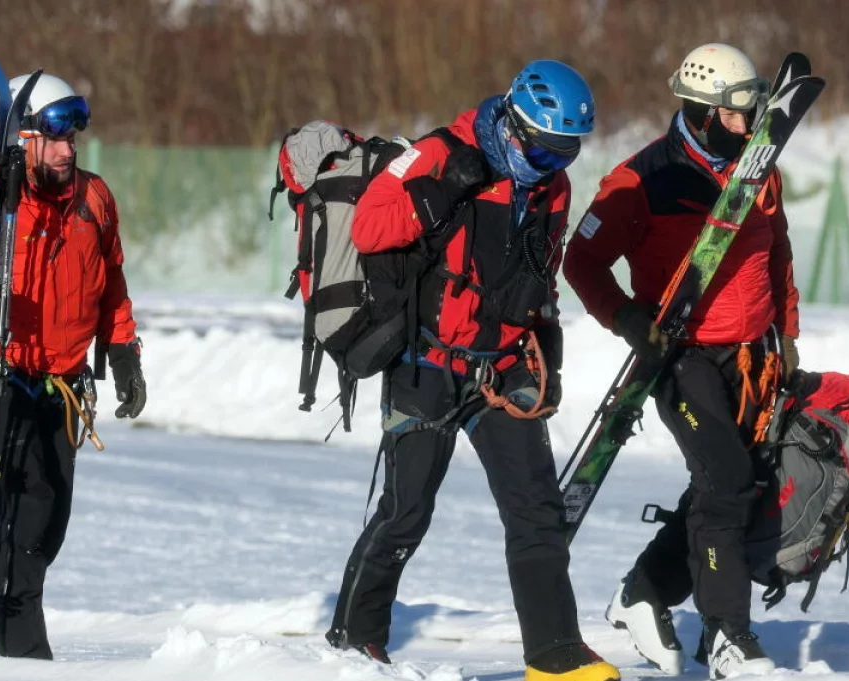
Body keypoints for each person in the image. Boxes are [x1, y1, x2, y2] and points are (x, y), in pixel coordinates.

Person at [324, 60, 619, 681]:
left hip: (502, 369)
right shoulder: (439, 152)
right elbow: (369, 227)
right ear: (514, 124)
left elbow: (541, 277)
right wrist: (441, 191)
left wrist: (548, 349)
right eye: (544, 150)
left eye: (566, 153)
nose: (552, 165)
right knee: (406, 512)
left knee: (538, 511)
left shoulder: (553, 188)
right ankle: (355, 642)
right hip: (424, 363)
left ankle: (555, 654)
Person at [562, 43, 800, 679]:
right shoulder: (643, 179)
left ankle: (644, 590)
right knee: (725, 480)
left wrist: (788, 335)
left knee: (727, 484)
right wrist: (625, 317)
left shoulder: (761, 167)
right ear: (700, 112)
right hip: (680, 357)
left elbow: (776, 253)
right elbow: (580, 262)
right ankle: (728, 636)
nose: (749, 125)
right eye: (736, 113)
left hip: (752, 358)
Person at [0, 72, 146, 659]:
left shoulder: (93, 197)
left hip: (63, 385)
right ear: (23, 139)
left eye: (74, 139)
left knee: (45, 528)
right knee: (25, 518)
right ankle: (24, 662)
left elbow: (110, 280)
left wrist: (122, 351)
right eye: (55, 138)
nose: (70, 151)